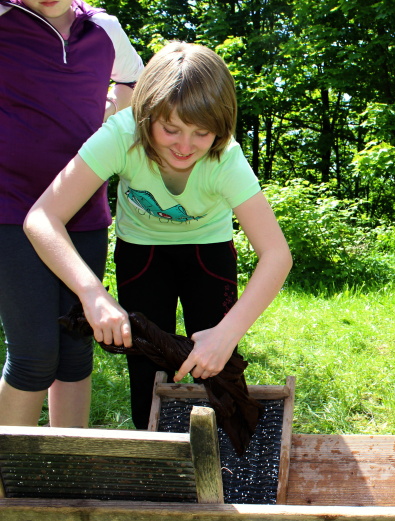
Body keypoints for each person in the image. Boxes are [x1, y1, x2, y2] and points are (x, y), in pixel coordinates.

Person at [24, 42, 293, 430]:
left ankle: (226, 448)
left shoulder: (226, 158)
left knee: (218, 363)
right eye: (170, 129)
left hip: (207, 250)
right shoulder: (121, 135)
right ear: (146, 115)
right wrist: (92, 293)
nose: (184, 146)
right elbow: (42, 218)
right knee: (145, 368)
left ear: (220, 130)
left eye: (202, 133)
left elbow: (277, 254)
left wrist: (227, 334)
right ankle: (152, 448)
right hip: (142, 251)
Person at [0, 0, 143, 427]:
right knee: (34, 355)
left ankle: (68, 461)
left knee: (76, 345)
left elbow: (135, 82)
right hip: (10, 207)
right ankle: (12, 471)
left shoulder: (104, 28)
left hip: (83, 210)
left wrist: (109, 111)